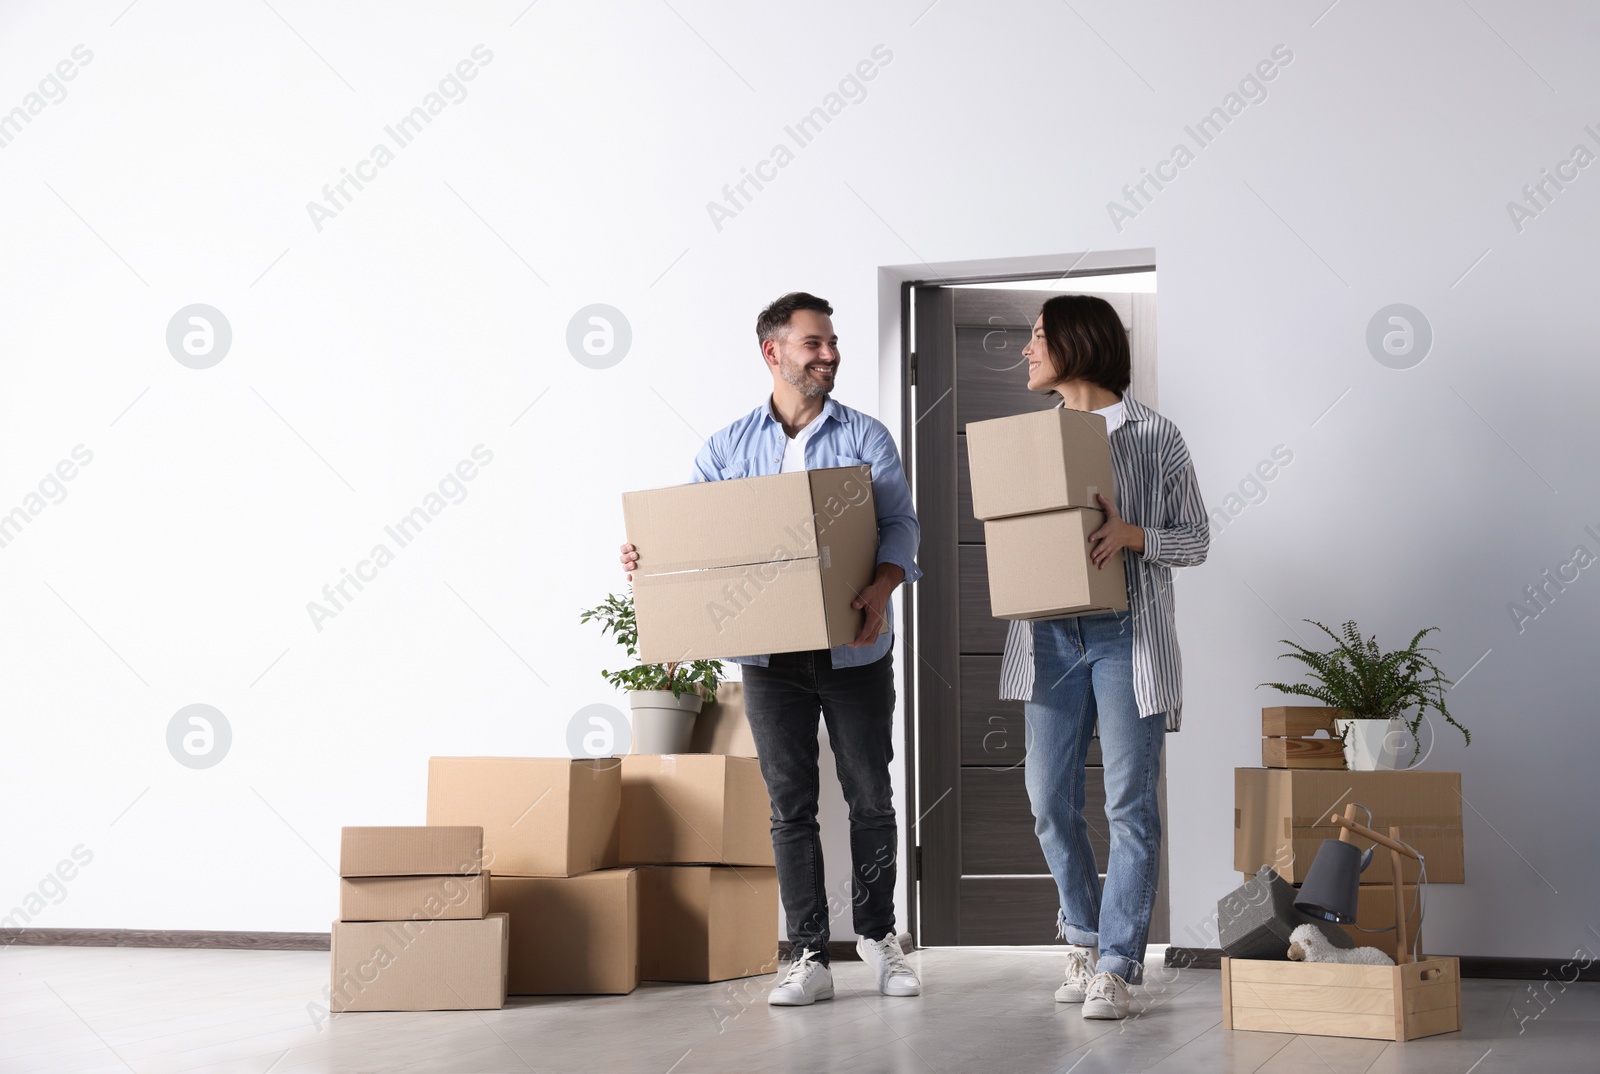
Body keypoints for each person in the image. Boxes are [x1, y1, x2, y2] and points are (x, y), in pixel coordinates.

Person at [621, 292, 923, 1006]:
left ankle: (881, 939)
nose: (829, 355)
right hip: (767, 659)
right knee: (790, 806)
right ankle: (809, 953)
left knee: (870, 798)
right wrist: (648, 558)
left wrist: (881, 589)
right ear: (774, 353)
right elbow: (694, 540)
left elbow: (901, 528)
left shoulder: (866, 437)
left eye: (833, 343)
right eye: (813, 344)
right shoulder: (728, 448)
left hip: (854, 649)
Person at [999, 294, 1208, 1020]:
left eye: (1036, 339)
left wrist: (1131, 535)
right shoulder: (1031, 439)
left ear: (1075, 345)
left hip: (1127, 636)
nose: (1026, 351)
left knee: (1128, 804)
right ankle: (1084, 939)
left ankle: (1117, 965)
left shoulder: (1155, 436)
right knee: (1047, 801)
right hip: (1049, 634)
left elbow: (1197, 538)